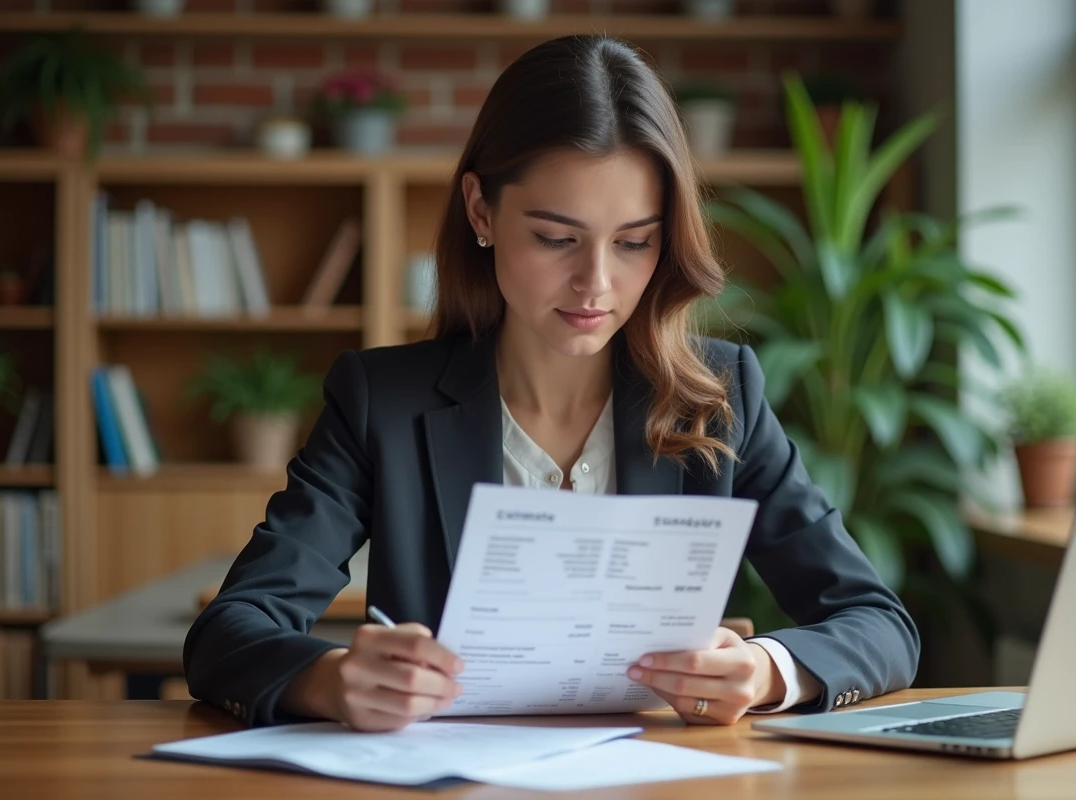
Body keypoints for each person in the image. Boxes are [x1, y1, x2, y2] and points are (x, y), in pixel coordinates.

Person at [183, 34, 918, 732]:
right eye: (556, 238)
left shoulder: (718, 398)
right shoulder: (382, 403)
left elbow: (879, 625)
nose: (596, 283)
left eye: (634, 242)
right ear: (481, 211)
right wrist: (329, 680)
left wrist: (766, 670)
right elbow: (230, 630)